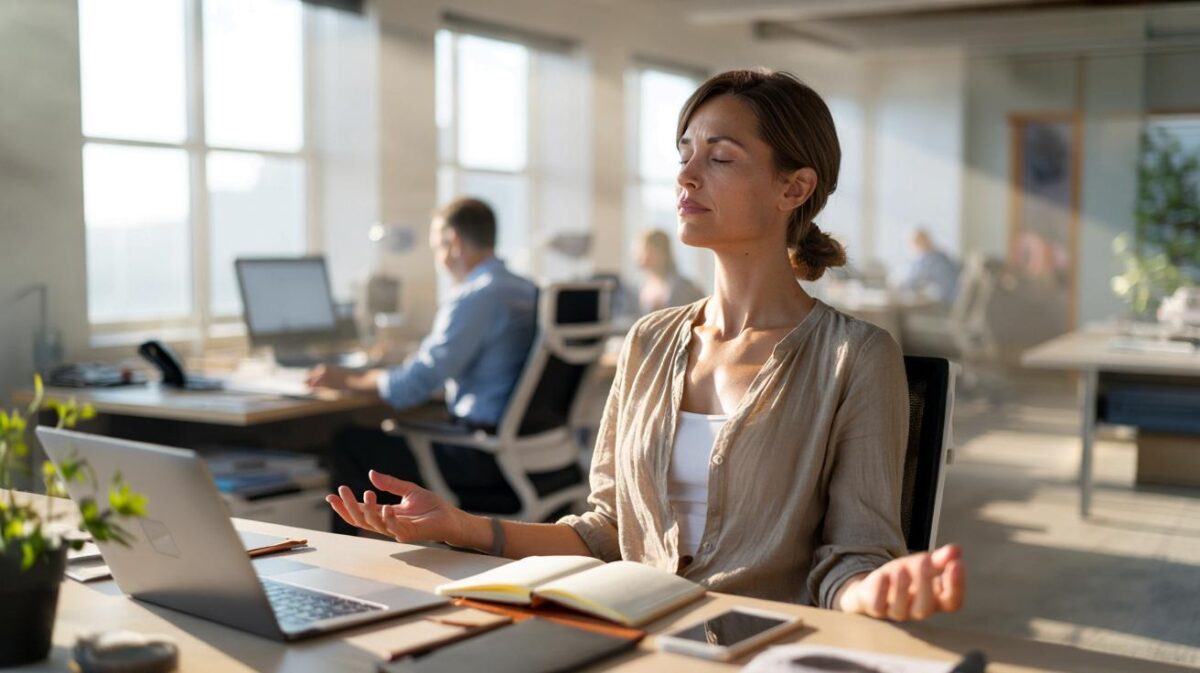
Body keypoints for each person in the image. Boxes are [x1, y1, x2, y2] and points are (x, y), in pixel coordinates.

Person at [327, 69, 965, 622]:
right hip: (630, 631)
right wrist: (461, 528)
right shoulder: (650, 340)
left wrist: (874, 592)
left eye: (719, 157)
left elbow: (854, 558)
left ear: (793, 188)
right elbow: (607, 532)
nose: (685, 175)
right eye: (684, 152)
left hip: (750, 649)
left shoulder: (854, 357)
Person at [308, 197, 538, 531]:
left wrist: (351, 380)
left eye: (436, 248)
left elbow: (415, 385)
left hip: (479, 458)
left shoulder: (475, 295)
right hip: (527, 453)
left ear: (453, 243)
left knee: (348, 443)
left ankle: (350, 567)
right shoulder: (526, 289)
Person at [635, 229, 705, 314]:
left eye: (648, 251)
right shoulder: (643, 286)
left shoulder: (683, 287)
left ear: (663, 253)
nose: (642, 256)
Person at [900, 228, 961, 305]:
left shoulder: (930, 260)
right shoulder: (941, 256)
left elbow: (909, 284)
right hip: (955, 303)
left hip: (946, 304)